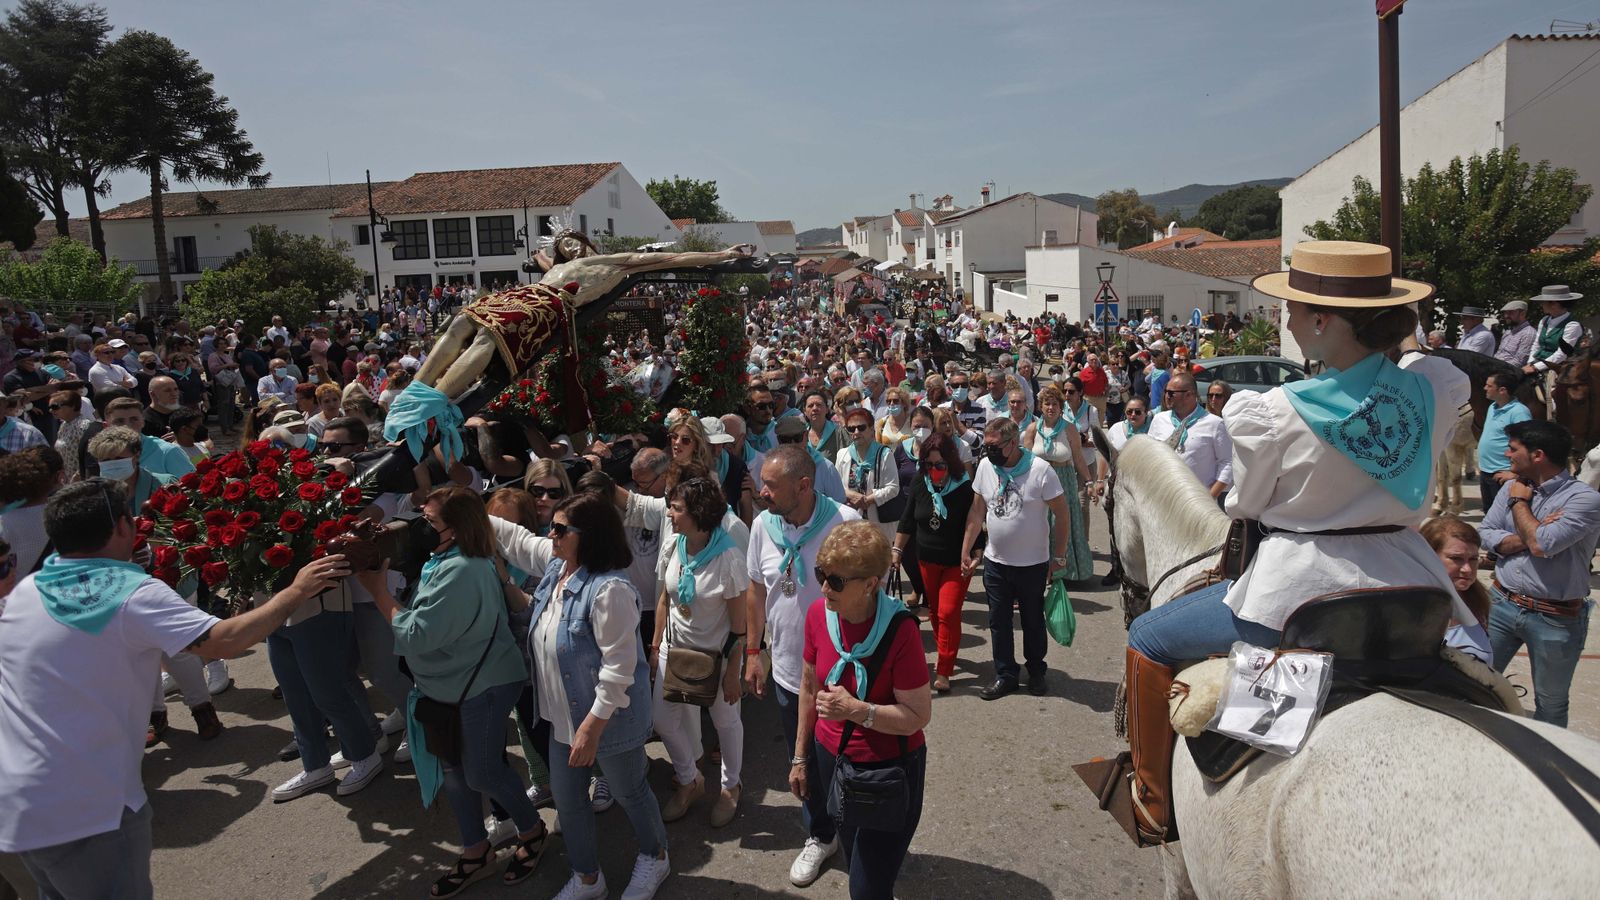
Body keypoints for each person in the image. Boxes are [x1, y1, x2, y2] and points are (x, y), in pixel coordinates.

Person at [1114, 240, 1481, 846]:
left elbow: (1247, 505)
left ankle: (1151, 802)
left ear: (1322, 320)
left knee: (1148, 636)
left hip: (1301, 589)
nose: (1284, 320)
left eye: (1293, 309)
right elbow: (1424, 377)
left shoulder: (1272, 411)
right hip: (1410, 581)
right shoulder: (1432, 388)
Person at [0, 479, 349, 900]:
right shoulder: (131, 593)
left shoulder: (27, 589)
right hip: (86, 808)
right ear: (124, 527)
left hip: (16, 801)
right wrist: (297, 590)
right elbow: (225, 641)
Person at [357, 486, 549, 896]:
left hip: (481, 686)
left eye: (429, 522)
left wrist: (378, 592)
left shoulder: (463, 569)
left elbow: (417, 633)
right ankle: (476, 850)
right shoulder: (442, 558)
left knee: (481, 772)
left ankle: (532, 831)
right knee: (455, 774)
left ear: (457, 528)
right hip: (446, 685)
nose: (419, 528)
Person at [527, 492, 671, 900]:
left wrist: (591, 729)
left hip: (605, 722)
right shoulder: (558, 571)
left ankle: (656, 855)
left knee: (630, 792)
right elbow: (517, 541)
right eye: (550, 527)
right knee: (569, 802)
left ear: (588, 536)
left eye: (560, 529)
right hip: (562, 719)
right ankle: (588, 878)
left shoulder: (610, 591)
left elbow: (619, 669)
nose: (550, 535)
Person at [793, 521, 931, 900]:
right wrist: (800, 758)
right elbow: (809, 687)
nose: (824, 588)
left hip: (888, 772)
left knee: (866, 888)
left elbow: (917, 716)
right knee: (856, 856)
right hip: (832, 760)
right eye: (822, 575)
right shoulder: (818, 615)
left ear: (870, 584)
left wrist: (857, 710)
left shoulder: (900, 629)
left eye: (836, 581)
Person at [744, 444, 860, 887]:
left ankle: (859, 833)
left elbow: (869, 596)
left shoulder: (845, 523)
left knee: (848, 759)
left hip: (842, 674)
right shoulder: (762, 526)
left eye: (771, 486)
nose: (762, 492)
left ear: (804, 486)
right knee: (806, 759)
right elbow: (757, 591)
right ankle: (821, 835)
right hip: (789, 671)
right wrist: (753, 652)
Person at [1478, 419, 1600, 727]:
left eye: (1513, 449)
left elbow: (1541, 545)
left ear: (1538, 455)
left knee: (1550, 702)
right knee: (1476, 684)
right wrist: (1533, 533)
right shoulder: (1511, 486)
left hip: (1554, 617)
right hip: (1501, 604)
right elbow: (1486, 533)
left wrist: (1519, 503)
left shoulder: (1583, 499)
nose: (1506, 455)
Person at [649, 476, 749, 827]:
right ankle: (690, 779)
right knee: (662, 720)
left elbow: (739, 627)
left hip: (716, 658)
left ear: (698, 513)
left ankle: (730, 787)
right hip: (673, 650)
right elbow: (665, 600)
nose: (670, 514)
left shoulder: (729, 559)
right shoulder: (673, 546)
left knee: (725, 723)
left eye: (676, 508)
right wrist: (655, 646)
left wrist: (734, 672)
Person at [961, 417, 1071, 701]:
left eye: (995, 446)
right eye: (986, 446)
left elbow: (1062, 514)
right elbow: (976, 511)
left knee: (1033, 620)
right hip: (996, 563)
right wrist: (967, 547)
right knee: (998, 621)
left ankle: (1036, 671)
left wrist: (1059, 556)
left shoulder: (1040, 470)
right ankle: (1006, 674)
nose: (989, 452)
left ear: (1013, 443)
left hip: (1032, 564)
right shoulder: (986, 467)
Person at [894, 433, 976, 693]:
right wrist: (897, 550)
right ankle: (946, 649)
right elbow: (908, 519)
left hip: (956, 562)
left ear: (950, 462)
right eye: (928, 464)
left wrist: (976, 554)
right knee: (934, 610)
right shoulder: (921, 481)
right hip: (927, 559)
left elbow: (974, 524)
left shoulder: (964, 487)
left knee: (948, 612)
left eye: (939, 465)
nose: (934, 470)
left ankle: (944, 669)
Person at [1022, 385, 1096, 581]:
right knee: (1040, 524)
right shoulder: (1032, 429)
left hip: (1063, 479)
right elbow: (1025, 460)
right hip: (1038, 481)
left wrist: (1089, 481)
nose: (1051, 408)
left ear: (1060, 407)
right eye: (1047, 404)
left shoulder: (1069, 428)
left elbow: (1078, 458)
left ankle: (1066, 571)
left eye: (1055, 404)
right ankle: (1040, 570)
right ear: (1041, 406)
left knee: (1061, 524)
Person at [1146, 371, 1232, 502]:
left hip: (1197, 503)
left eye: (1171, 393)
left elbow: (1227, 462)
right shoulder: (1159, 419)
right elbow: (1150, 456)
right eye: (1165, 392)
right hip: (1162, 499)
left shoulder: (1215, 424)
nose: (1166, 396)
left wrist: (1209, 497)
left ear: (1189, 394)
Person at [1420, 515, 1494, 665]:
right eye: (1456, 558)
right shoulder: (1411, 611)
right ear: (1428, 556)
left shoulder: (1477, 599)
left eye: (1473, 559)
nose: (1467, 569)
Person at [835, 406, 902, 545]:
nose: (856, 432)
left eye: (861, 427)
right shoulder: (842, 454)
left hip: (878, 523)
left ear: (872, 429)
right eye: (851, 429)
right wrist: (851, 495)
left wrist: (868, 500)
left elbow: (893, 487)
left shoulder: (884, 454)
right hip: (851, 521)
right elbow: (836, 485)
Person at [1478, 371, 1532, 511]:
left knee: (1504, 516)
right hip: (1486, 471)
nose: (1485, 388)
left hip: (1503, 474)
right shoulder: (1492, 407)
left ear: (1502, 390)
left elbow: (1527, 445)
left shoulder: (1519, 412)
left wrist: (1515, 474)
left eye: (1489, 386)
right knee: (1489, 513)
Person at [775, 415, 847, 502]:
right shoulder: (774, 467)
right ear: (778, 440)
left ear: (806, 436)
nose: (792, 444)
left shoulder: (825, 467)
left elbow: (839, 503)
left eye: (797, 438)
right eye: (785, 440)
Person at [1493, 299, 1535, 368]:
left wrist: (1495, 368)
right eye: (1505, 313)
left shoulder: (1528, 334)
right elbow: (1499, 353)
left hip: (1507, 371)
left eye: (1511, 313)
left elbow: (1519, 362)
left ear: (1523, 314)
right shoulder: (1508, 332)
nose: (1506, 316)